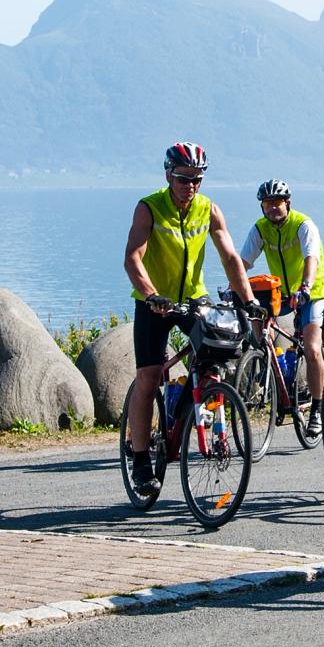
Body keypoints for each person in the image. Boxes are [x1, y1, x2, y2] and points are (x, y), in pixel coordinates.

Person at [121, 141, 259, 497]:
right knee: (149, 379)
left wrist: (249, 300)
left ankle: (207, 424)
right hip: (154, 303)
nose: (190, 186)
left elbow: (230, 257)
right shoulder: (149, 208)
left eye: (197, 179)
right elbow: (133, 259)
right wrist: (151, 295)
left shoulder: (209, 210)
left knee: (213, 362)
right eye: (183, 179)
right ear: (168, 175)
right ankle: (139, 460)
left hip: (193, 300)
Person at [239, 178, 324, 430]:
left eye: (277, 203)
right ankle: (262, 356)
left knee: (311, 350)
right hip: (282, 293)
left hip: (312, 292)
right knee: (256, 311)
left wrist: (306, 286)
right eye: (267, 204)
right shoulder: (260, 229)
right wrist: (229, 287)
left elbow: (311, 257)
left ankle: (318, 410)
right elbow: (243, 262)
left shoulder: (303, 225)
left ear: (287, 203)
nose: (272, 208)